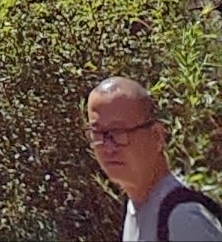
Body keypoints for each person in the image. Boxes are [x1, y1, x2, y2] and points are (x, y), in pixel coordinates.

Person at [87, 77, 222, 240]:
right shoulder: (135, 207)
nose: (108, 147)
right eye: (98, 133)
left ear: (157, 136)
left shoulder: (183, 219)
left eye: (118, 132)